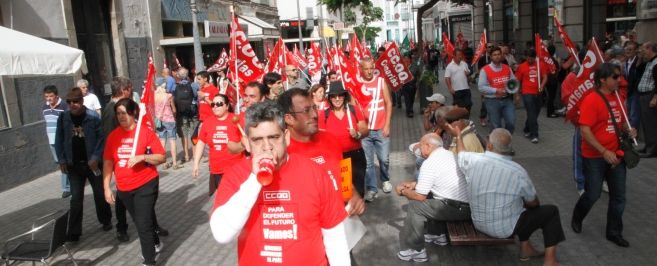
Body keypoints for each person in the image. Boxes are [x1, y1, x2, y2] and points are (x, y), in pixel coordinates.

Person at [209, 101, 350, 265]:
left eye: (274, 137)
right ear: (247, 143)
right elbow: (222, 234)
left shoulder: (315, 172)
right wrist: (254, 181)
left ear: (287, 137)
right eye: (257, 140)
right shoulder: (236, 175)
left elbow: (335, 237)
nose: (267, 147)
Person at [452, 128, 564, 266]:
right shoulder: (517, 171)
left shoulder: (473, 160)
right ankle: (550, 261)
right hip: (504, 229)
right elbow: (533, 203)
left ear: (490, 145)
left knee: (519, 206)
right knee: (550, 211)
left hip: (479, 223)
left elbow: (461, 153)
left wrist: (458, 135)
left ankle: (526, 249)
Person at [572, 63, 638, 247]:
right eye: (615, 77)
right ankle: (577, 216)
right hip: (595, 157)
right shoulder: (591, 100)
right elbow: (585, 131)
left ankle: (614, 232)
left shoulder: (618, 97)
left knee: (619, 196)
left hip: (616, 154)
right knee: (593, 194)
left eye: (620, 76)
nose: (620, 80)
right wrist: (603, 151)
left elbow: (620, 123)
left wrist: (629, 130)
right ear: (603, 80)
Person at [103, 98, 166, 266]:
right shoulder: (113, 137)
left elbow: (161, 157)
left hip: (146, 184)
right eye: (118, 114)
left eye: (124, 113)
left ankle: (149, 261)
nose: (121, 117)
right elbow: (108, 162)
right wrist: (106, 188)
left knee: (143, 225)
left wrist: (142, 157)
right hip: (124, 188)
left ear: (133, 112)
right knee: (140, 221)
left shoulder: (145, 133)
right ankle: (155, 240)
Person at [396, 133, 470, 262]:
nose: (419, 149)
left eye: (421, 145)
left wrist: (403, 191)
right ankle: (437, 234)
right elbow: (438, 182)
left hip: (459, 209)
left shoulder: (429, 163)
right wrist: (414, 184)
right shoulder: (450, 154)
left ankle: (416, 250)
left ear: (428, 146)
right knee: (432, 196)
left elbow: (419, 196)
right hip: (465, 206)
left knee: (415, 207)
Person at [55, 87, 112, 241]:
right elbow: (58, 139)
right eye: (69, 102)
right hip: (74, 164)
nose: (72, 104)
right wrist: (61, 159)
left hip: (92, 164)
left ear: (81, 101)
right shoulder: (63, 118)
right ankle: (74, 232)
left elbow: (102, 139)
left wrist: (95, 157)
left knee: (100, 194)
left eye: (75, 101)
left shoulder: (93, 117)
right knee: (75, 199)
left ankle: (106, 220)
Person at [318, 83, 369, 199]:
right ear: (329, 98)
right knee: (340, 192)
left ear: (344, 96)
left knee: (358, 189)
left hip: (355, 156)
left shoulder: (354, 110)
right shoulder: (323, 115)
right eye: (333, 96)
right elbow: (320, 138)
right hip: (335, 157)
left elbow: (365, 130)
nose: (337, 99)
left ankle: (356, 214)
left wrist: (357, 134)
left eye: (340, 96)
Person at [192, 94, 245, 196]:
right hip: (216, 169)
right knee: (222, 198)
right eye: (213, 104)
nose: (215, 106)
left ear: (227, 106)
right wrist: (195, 163)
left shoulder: (237, 120)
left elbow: (246, 140)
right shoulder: (208, 122)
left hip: (235, 169)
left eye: (219, 104)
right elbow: (201, 142)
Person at [359, 57, 393, 202]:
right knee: (368, 163)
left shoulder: (380, 82)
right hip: (365, 131)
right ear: (361, 69)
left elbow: (388, 103)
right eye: (365, 69)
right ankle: (372, 189)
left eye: (370, 68)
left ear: (374, 67)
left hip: (380, 128)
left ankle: (385, 179)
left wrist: (387, 125)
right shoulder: (358, 84)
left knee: (384, 159)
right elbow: (354, 105)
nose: (368, 71)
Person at [478, 46, 518, 134]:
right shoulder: (485, 70)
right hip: (492, 101)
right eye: (494, 55)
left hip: (507, 100)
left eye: (499, 54)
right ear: (491, 57)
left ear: (501, 55)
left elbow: (513, 81)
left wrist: (515, 94)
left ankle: (505, 140)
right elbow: (481, 87)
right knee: (496, 126)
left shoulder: (507, 68)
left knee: (511, 122)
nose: (497, 56)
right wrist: (496, 90)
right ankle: (496, 143)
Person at [42, 85, 71, 198]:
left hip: (62, 140)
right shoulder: (45, 107)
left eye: (51, 96)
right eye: (46, 96)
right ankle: (70, 182)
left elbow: (68, 122)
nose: (48, 99)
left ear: (56, 95)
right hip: (52, 140)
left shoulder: (64, 106)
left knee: (63, 162)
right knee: (60, 163)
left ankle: (66, 188)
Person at [515, 49, 548, 144]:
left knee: (535, 113)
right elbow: (517, 81)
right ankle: (534, 135)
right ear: (526, 57)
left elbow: (545, 76)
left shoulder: (540, 64)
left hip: (538, 93)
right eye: (528, 58)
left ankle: (526, 128)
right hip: (527, 93)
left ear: (535, 57)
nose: (529, 60)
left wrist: (542, 85)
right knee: (531, 112)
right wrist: (517, 94)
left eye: (531, 59)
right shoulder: (521, 67)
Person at [154, 77, 181, 170]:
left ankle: (164, 163)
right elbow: (174, 109)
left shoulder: (153, 96)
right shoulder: (168, 96)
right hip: (169, 119)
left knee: (162, 142)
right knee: (172, 140)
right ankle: (174, 163)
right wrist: (174, 115)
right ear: (164, 84)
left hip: (159, 121)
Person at [172, 67, 198, 163]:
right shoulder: (194, 85)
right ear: (187, 75)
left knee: (184, 134)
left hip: (182, 114)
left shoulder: (175, 87)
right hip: (193, 113)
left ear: (179, 76)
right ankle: (195, 155)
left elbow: (173, 99)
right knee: (194, 133)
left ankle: (186, 155)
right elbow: (196, 97)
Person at [636, 42, 657, 158]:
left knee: (651, 124)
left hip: (650, 95)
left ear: (650, 49)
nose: (641, 53)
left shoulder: (656, 62)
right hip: (644, 95)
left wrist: (655, 97)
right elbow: (637, 69)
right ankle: (648, 146)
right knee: (645, 123)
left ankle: (652, 149)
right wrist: (640, 59)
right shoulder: (649, 62)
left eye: (643, 50)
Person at [623, 41, 641, 129]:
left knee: (634, 114)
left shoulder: (638, 61)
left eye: (630, 49)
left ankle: (632, 135)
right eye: (626, 49)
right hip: (628, 91)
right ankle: (629, 132)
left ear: (635, 51)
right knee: (628, 113)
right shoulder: (626, 62)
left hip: (635, 91)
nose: (627, 51)